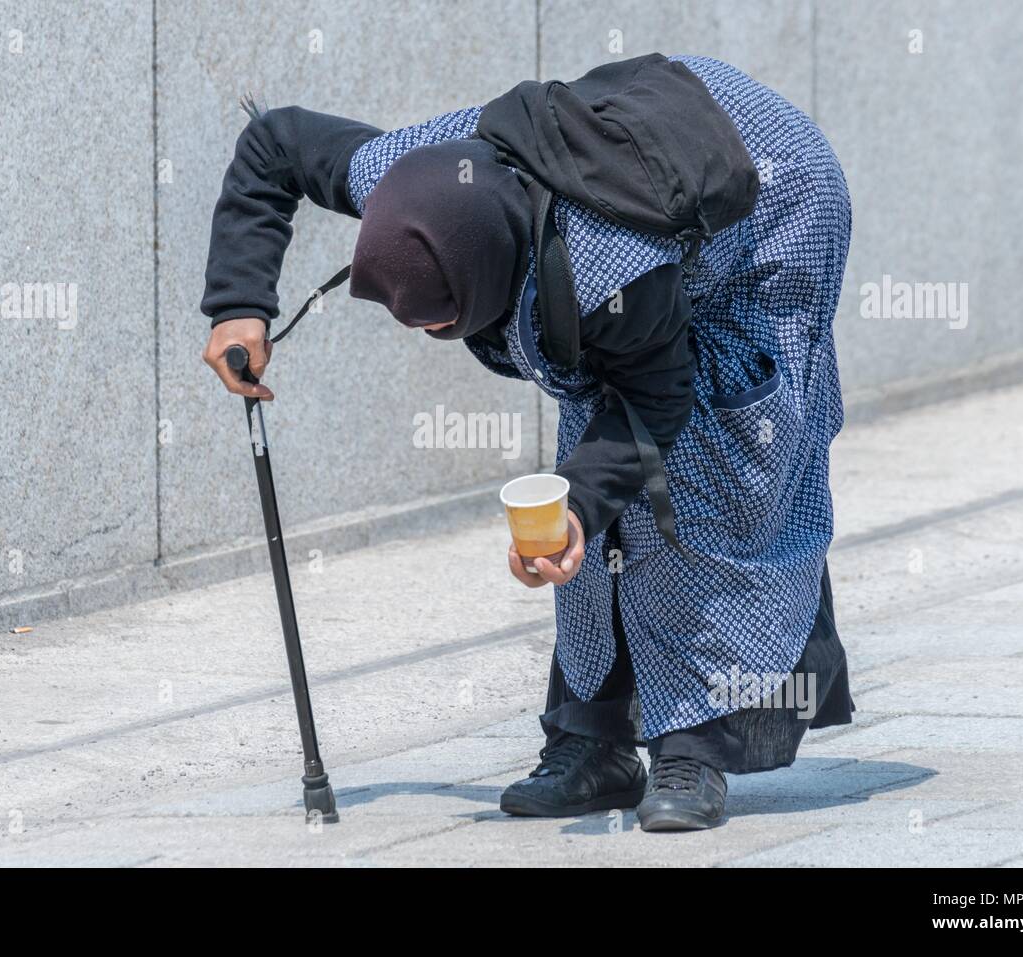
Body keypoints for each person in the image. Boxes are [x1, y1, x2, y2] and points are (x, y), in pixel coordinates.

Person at [201, 54, 854, 832]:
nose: (435, 335)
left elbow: (656, 396)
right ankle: (595, 741)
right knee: (593, 438)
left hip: (778, 203)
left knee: (709, 465)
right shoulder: (413, 177)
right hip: (642, 172)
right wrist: (239, 302)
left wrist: (577, 509)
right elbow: (274, 147)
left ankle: (694, 744)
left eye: (442, 320)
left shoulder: (610, 267)